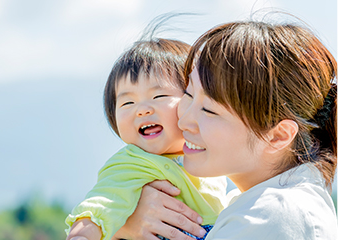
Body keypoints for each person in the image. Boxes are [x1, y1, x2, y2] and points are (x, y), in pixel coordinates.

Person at [116, 20, 338, 239]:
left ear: (277, 136)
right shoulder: (251, 205)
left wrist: (119, 225)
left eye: (209, 110)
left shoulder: (270, 216)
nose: (183, 121)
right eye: (189, 94)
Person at [65, 38, 228, 240]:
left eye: (158, 96)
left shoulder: (213, 157)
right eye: (128, 102)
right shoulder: (132, 164)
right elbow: (100, 205)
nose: (142, 110)